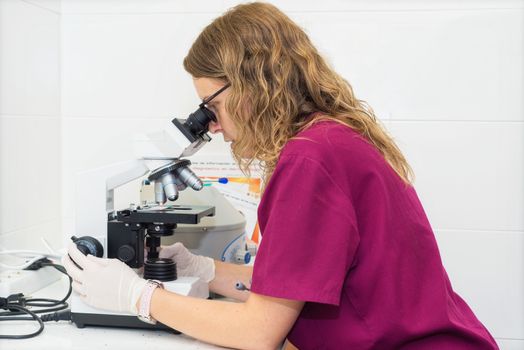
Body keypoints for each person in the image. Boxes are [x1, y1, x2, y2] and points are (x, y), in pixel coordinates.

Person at [62, 2, 499, 349]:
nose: (210, 125)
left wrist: (139, 298)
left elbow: (258, 332)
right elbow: (295, 288)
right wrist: (203, 269)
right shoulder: (329, 138)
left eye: (211, 108)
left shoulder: (311, 159)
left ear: (252, 82)